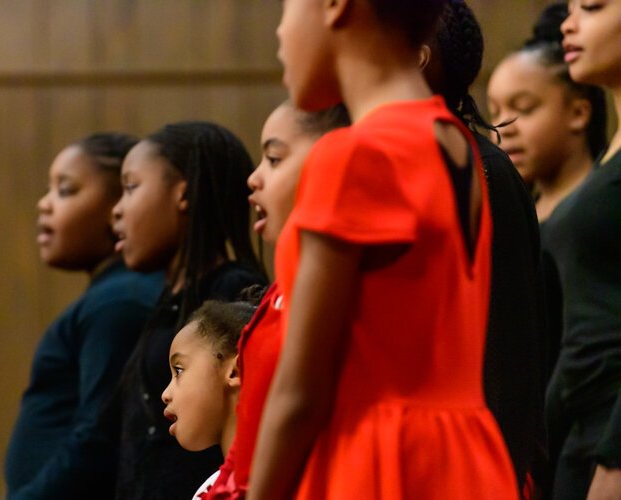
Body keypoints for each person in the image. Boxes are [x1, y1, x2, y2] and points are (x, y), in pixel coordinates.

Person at [249, 1, 518, 498]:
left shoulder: (353, 155)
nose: (281, 33)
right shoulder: (455, 143)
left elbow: (299, 395)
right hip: (468, 461)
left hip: (376, 464)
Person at [423, 1, 552, 494]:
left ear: (416, 55)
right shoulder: (379, 162)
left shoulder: (482, 173)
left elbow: (508, 349)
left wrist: (505, 472)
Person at [196, 102, 349, 500]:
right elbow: (250, 437)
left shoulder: (347, 286)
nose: (254, 178)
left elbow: (300, 413)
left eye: (275, 159)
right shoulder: (284, 288)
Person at [107, 121, 267, 500]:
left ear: (183, 194)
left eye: (130, 188)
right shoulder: (164, 301)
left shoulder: (232, 291)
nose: (116, 210)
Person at [4, 133, 165, 499]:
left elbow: (98, 439)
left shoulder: (120, 301)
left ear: (119, 207)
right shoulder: (111, 296)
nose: (44, 204)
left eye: (66, 190)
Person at [539, 2, 621, 499]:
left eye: (591, 6)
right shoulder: (611, 146)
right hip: (580, 434)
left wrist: (614, 461)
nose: (569, 24)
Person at [487, 3, 606, 222]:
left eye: (524, 108)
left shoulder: (602, 209)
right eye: (494, 113)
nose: (503, 128)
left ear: (578, 113)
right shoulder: (516, 219)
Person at [161, 300, 257, 499]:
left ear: (235, 371)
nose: (165, 394)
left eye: (179, 370)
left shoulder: (279, 479)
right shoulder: (209, 490)